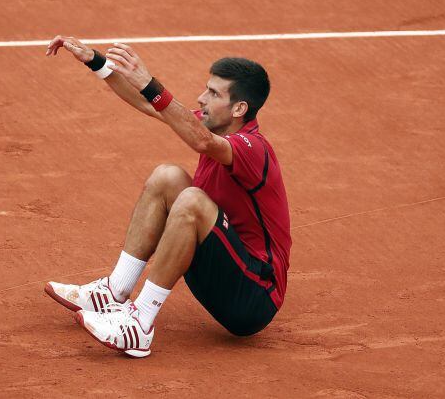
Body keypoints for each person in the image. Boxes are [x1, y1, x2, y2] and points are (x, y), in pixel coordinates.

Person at [43, 35, 291, 358]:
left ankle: (140, 325)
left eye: (214, 93)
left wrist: (150, 81)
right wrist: (95, 61)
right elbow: (149, 103)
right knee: (167, 177)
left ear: (240, 109)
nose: (201, 98)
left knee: (191, 200)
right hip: (224, 272)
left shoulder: (253, 148)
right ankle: (114, 292)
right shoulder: (210, 127)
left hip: (254, 297)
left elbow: (202, 141)